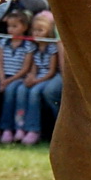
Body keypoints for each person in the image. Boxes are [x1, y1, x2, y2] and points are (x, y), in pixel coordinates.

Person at [0, 9, 36, 144]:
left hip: (17, 78)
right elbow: (0, 63)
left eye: (15, 26)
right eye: (9, 26)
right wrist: (1, 79)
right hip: (3, 77)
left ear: (24, 27)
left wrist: (8, 81)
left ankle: (11, 128)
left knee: (10, 92)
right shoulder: (3, 42)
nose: (10, 30)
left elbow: (25, 68)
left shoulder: (29, 46)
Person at [15, 11, 61, 145]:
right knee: (22, 90)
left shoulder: (52, 48)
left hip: (46, 78)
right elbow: (34, 68)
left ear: (48, 32)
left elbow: (51, 72)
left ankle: (33, 129)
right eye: (34, 30)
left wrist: (36, 81)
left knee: (34, 92)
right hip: (38, 78)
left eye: (40, 30)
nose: (36, 33)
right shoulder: (34, 48)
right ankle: (20, 126)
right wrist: (31, 77)